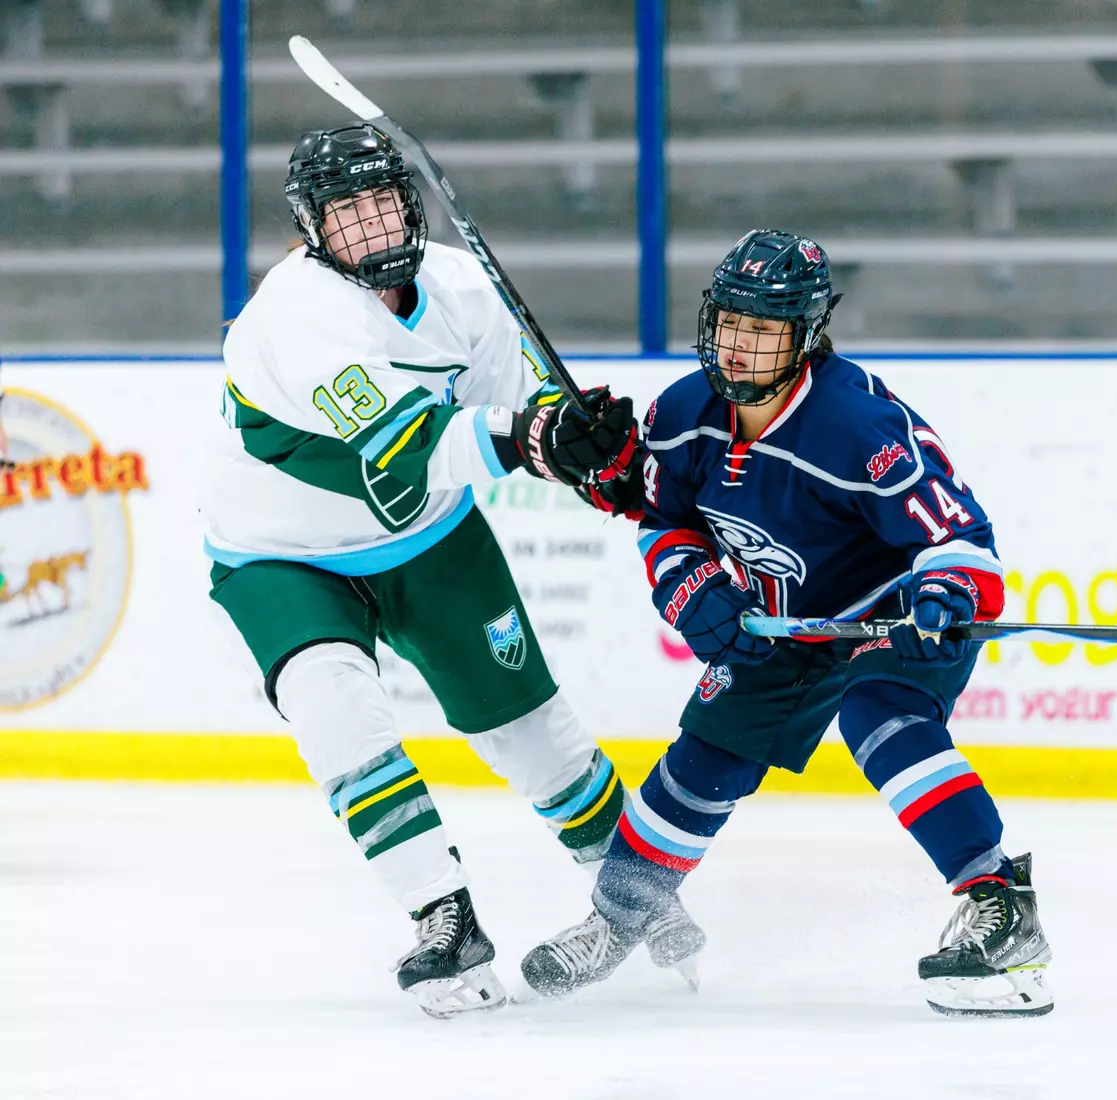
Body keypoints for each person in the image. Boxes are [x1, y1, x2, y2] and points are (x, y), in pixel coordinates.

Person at [202, 122, 698, 1016]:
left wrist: (588, 455)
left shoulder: (461, 286)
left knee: (533, 733)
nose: (367, 224)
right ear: (312, 227)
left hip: (429, 538)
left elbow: (524, 411)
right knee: (334, 707)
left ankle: (637, 897)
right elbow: (405, 452)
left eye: (380, 202)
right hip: (281, 551)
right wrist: (530, 439)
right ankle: (444, 914)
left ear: (410, 202)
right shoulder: (296, 314)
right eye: (343, 211)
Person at [519, 230, 1053, 1017]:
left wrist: (944, 593)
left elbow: (960, 540)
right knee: (704, 758)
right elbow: (659, 512)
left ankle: (999, 904)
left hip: (888, 617)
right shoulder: (685, 411)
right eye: (730, 324)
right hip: (782, 625)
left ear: (805, 337)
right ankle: (618, 918)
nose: (738, 348)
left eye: (763, 331)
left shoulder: (857, 429)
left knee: (882, 715)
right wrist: (689, 580)